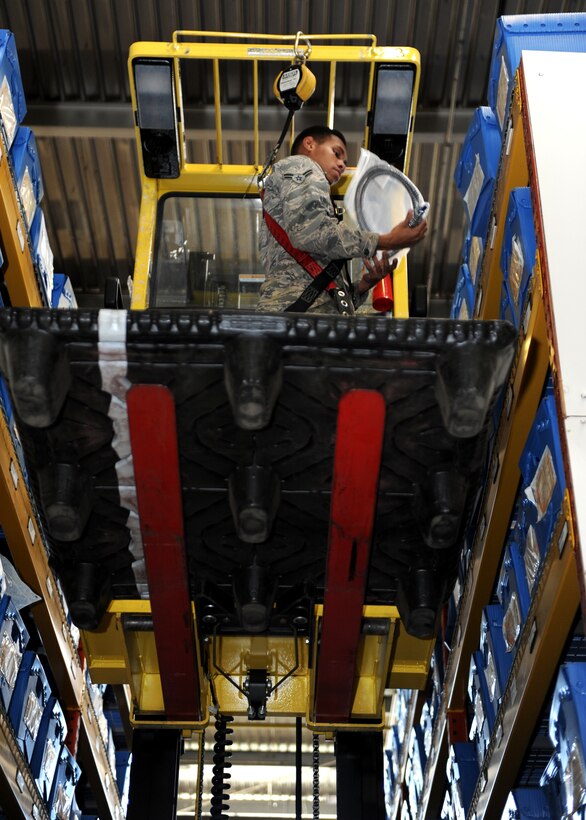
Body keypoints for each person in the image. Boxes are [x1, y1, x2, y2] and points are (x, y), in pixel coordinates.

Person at [257, 125, 428, 314]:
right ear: (309, 144)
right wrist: (385, 240)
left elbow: (321, 294)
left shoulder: (313, 197)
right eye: (336, 153)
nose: (341, 164)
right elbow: (309, 232)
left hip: (300, 316)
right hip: (299, 318)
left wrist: (364, 285)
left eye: (344, 161)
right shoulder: (302, 165)